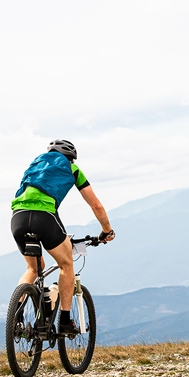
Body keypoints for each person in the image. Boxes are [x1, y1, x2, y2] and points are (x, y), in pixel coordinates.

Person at [10, 139, 115, 334]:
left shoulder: (36, 164)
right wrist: (107, 231)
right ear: (70, 157)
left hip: (18, 217)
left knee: (33, 268)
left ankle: (15, 318)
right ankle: (65, 321)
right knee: (66, 264)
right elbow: (96, 205)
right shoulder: (72, 169)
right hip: (44, 217)